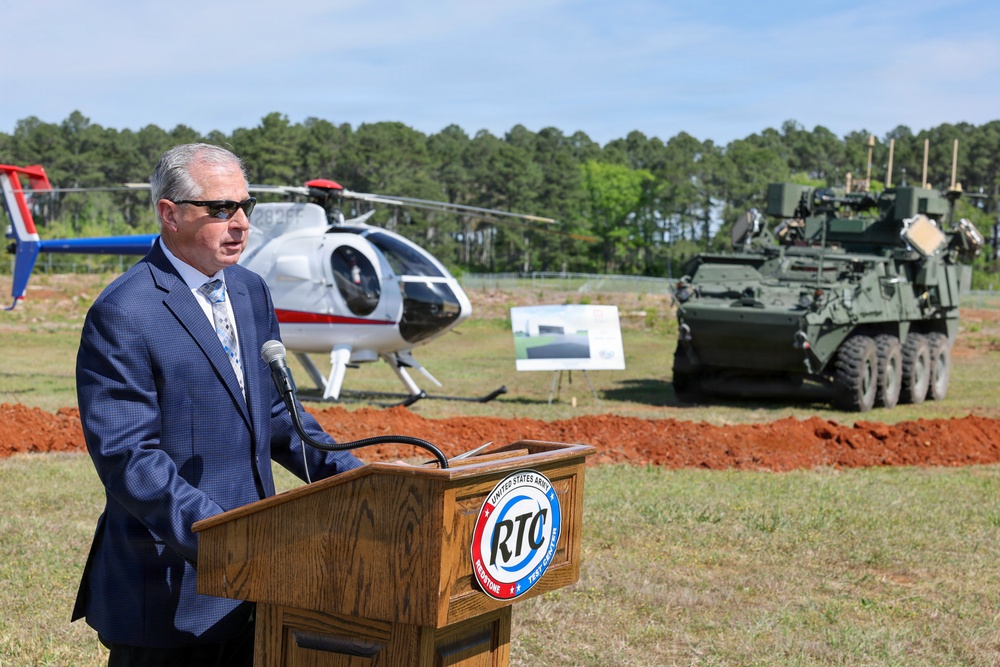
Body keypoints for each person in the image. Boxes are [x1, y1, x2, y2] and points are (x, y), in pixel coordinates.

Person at [72, 143, 364, 666]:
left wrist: (358, 478)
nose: (241, 223)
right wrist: (228, 542)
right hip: (170, 592)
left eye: (245, 207)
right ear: (170, 213)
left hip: (258, 585)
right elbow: (128, 459)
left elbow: (274, 416)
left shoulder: (250, 291)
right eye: (220, 209)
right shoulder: (124, 312)